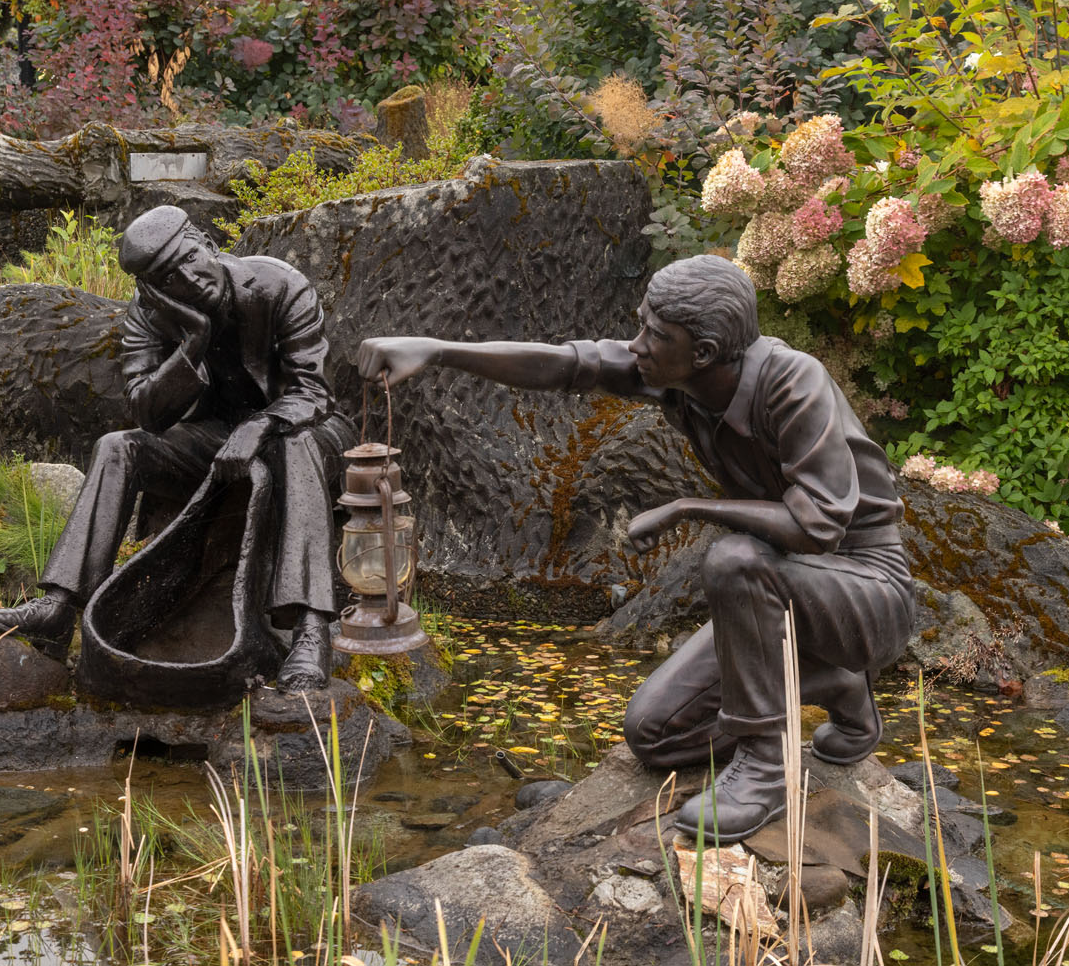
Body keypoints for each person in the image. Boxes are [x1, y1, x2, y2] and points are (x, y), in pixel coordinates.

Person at [356, 254, 915, 842]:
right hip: (788, 589)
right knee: (656, 734)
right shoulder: (676, 371)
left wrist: (690, 508)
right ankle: (833, 681)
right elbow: (568, 365)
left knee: (733, 560)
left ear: (701, 352)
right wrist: (437, 349)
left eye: (655, 333)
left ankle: (767, 769)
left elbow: (819, 527)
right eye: (642, 323)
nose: (637, 343)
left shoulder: (793, 383)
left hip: (865, 592)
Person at [0, 206, 355, 692]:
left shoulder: (278, 284)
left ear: (206, 244)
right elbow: (146, 414)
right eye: (167, 280)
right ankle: (58, 606)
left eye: (189, 261)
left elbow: (313, 393)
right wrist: (190, 345)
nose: (188, 282)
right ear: (151, 290)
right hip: (214, 437)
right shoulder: (150, 319)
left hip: (307, 429)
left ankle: (310, 630)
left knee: (296, 445)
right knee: (118, 447)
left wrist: (261, 426)